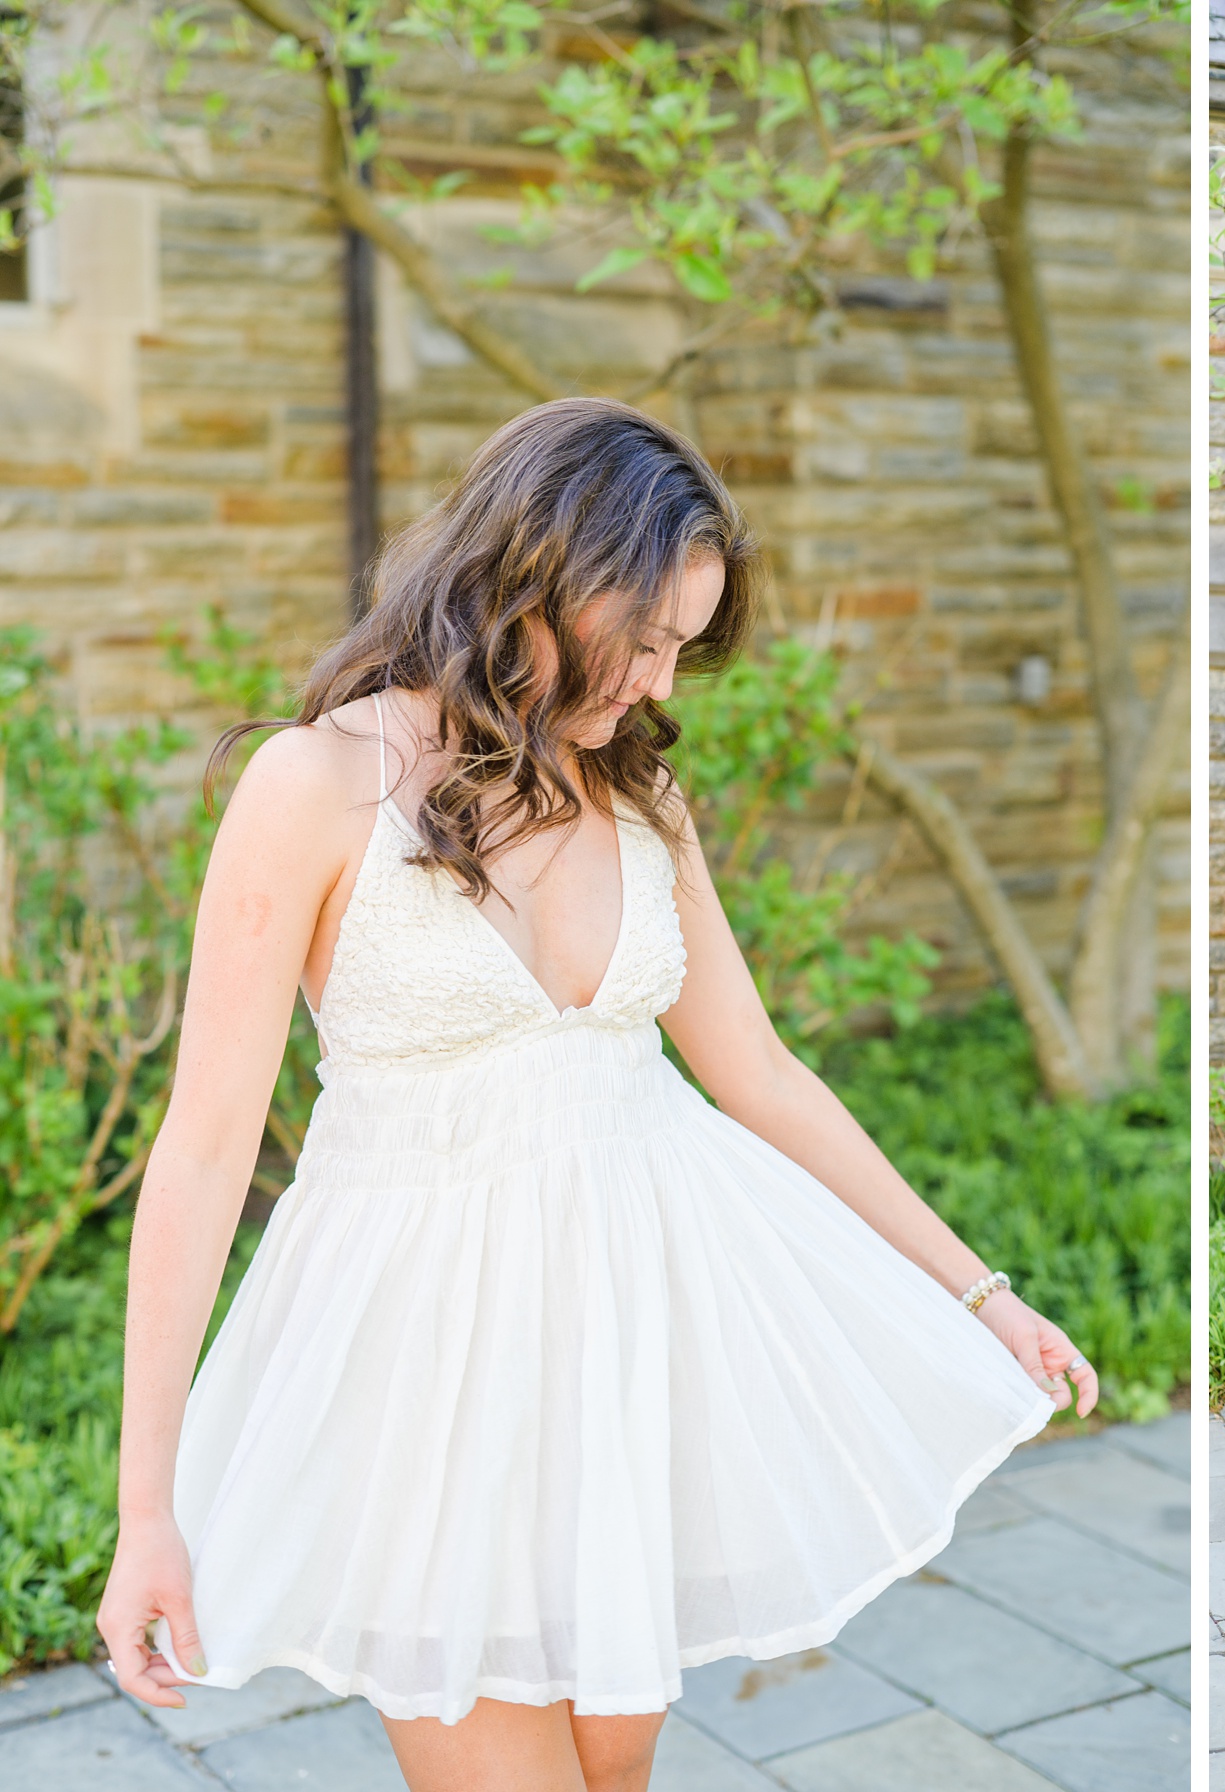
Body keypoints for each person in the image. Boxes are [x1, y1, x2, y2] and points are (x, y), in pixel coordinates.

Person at [96, 398, 1097, 1792]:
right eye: (646, 638)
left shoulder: (640, 801)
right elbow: (202, 1151)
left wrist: (979, 1294)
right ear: (544, 573)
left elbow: (756, 1069)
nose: (660, 683)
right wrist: (148, 1509)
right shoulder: (317, 783)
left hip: (633, 1365)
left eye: (684, 650)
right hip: (433, 1387)